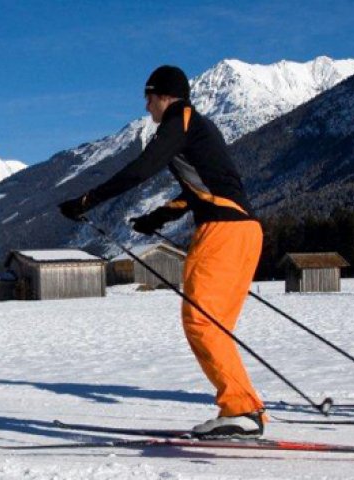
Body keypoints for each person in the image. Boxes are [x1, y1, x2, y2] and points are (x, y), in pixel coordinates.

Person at [58, 65, 266, 438]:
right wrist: (158, 217)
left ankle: (241, 409)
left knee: (201, 322)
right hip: (245, 230)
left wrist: (86, 200)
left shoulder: (178, 122)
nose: (146, 106)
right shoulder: (198, 127)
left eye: (148, 98)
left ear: (162, 95)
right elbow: (202, 188)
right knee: (213, 324)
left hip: (223, 232)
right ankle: (244, 408)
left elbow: (139, 170)